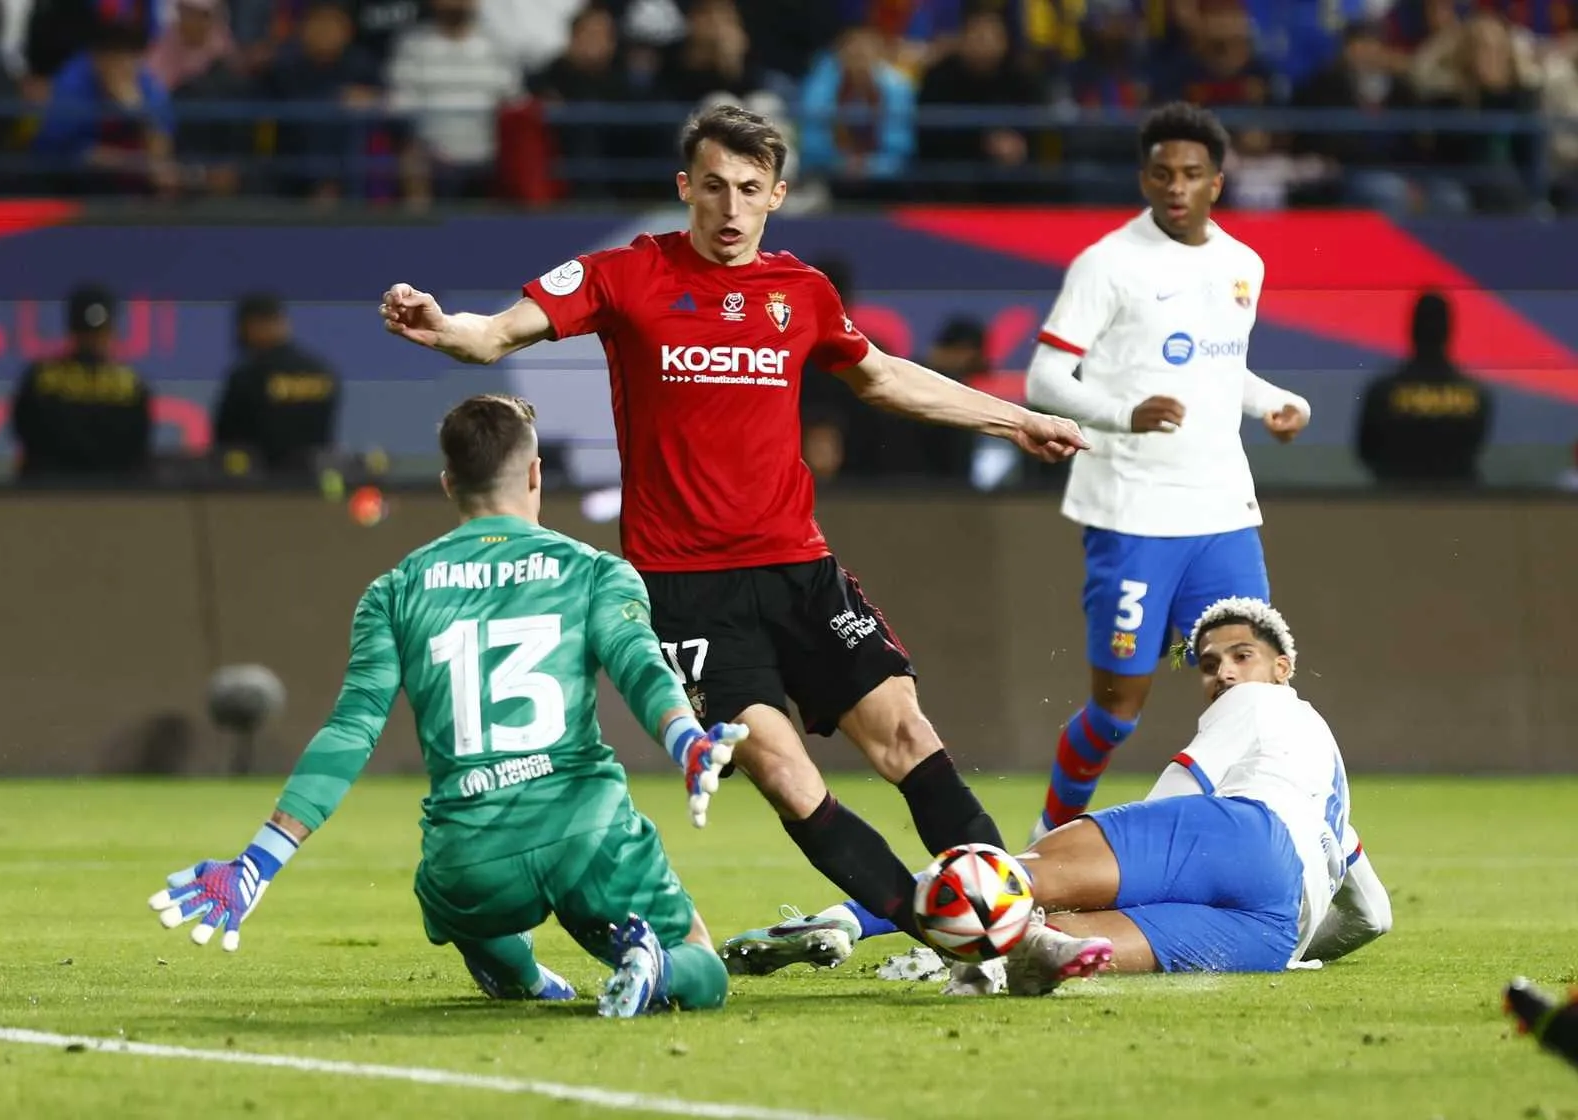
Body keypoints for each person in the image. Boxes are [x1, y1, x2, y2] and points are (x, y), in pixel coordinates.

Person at [379, 104, 1087, 945]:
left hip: (797, 568)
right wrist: (442, 326)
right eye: (712, 186)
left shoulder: (802, 293)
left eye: (749, 189)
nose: (729, 207)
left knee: (906, 735)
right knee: (788, 776)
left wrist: (1014, 420)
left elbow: (884, 376)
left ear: (776, 196)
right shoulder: (625, 275)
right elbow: (494, 335)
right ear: (685, 188)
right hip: (686, 595)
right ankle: (948, 936)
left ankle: (1019, 929)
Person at [147, 394, 748, 1019]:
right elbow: (641, 668)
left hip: (470, 859)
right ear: (536, 473)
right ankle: (656, 964)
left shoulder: (395, 591)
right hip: (585, 834)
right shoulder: (594, 572)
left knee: (460, 905)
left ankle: (527, 978)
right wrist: (687, 739)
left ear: (448, 484)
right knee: (700, 963)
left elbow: (351, 731)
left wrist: (258, 860)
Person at [722, 598, 1394, 996]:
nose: (1222, 673)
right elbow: (1372, 917)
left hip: (1238, 834)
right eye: (1210, 663)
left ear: (1283, 668)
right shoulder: (1328, 780)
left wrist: (1104, 859)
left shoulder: (1255, 702)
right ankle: (1000, 957)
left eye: (1240, 656)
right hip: (1275, 926)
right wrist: (1299, 947)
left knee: (1019, 875)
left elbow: (1175, 806)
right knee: (1054, 941)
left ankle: (844, 919)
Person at [1020, 101, 1312, 843]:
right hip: (1133, 513)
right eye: (1161, 173)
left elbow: (1227, 370)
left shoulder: (1244, 264)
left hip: (1223, 513)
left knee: (1257, 699)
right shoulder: (1108, 264)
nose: (1175, 187)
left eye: (1190, 174)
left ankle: (1294, 846)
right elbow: (1046, 380)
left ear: (1218, 180)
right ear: (1144, 178)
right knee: (1118, 714)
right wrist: (1123, 412)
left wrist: (1274, 402)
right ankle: (1048, 840)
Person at [10, 282, 153, 481]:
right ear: (111, 329)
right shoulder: (128, 383)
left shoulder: (41, 377)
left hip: (52, 492)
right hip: (107, 494)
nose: (94, 339)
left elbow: (27, 433)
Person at [1355, 290, 1493, 486]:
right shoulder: (1474, 395)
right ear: (1448, 330)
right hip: (1459, 504)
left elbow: (1367, 451)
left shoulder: (1383, 393)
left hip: (1394, 502)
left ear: (1412, 329)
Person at [212, 292, 340, 476]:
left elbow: (226, 442)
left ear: (252, 325)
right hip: (314, 484)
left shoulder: (248, 377)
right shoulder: (323, 372)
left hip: (259, 488)